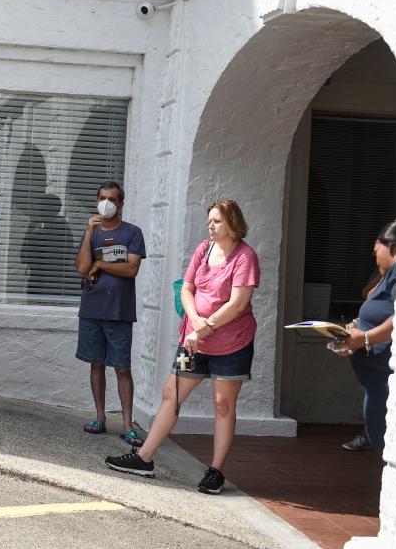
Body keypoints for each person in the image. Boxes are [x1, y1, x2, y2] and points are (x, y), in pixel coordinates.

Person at [106, 199, 260, 495]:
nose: (210, 226)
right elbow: (187, 288)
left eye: (216, 221)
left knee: (223, 404)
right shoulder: (204, 249)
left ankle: (215, 471)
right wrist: (195, 322)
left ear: (232, 223)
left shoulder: (245, 257)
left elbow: (238, 303)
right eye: (210, 221)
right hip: (193, 344)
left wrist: (204, 327)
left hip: (231, 345)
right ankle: (144, 458)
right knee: (171, 395)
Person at [74, 181, 146, 447]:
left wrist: (100, 263)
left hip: (119, 311)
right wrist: (87, 232)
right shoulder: (91, 233)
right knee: (96, 364)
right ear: (96, 201)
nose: (107, 203)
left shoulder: (132, 233)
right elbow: (82, 268)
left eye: (112, 199)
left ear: (121, 204)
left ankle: (127, 425)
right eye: (102, 198)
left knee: (122, 368)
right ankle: (100, 417)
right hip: (92, 308)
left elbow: (131, 270)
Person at [333, 218, 396, 455]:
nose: (375, 256)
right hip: (373, 377)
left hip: (384, 374)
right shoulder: (387, 275)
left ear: (393, 247)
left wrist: (364, 338)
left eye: (376, 251)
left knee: (385, 442)